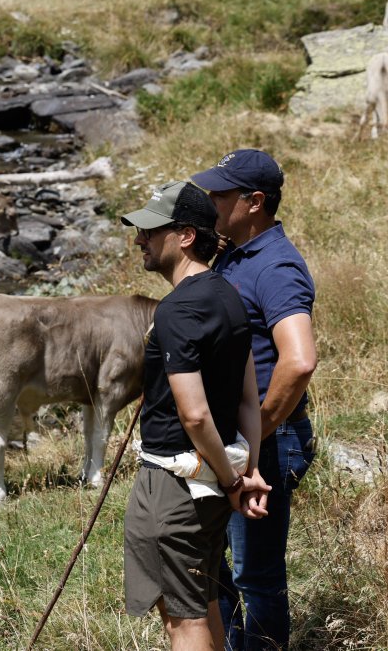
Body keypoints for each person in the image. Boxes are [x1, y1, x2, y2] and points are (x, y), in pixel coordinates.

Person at [121, 180, 271, 650]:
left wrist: (232, 481)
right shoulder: (229, 296)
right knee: (204, 604)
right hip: (211, 482)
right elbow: (249, 400)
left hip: (174, 487)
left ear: (185, 236)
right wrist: (247, 470)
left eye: (150, 230)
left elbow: (195, 416)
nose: (139, 239)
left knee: (182, 622)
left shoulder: (176, 311)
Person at [191, 150, 318, 651]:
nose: (212, 202)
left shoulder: (277, 266)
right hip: (231, 438)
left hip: (267, 436)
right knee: (213, 566)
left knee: (254, 577)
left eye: (222, 195)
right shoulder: (235, 250)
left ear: (255, 202)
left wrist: (257, 432)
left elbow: (299, 359)